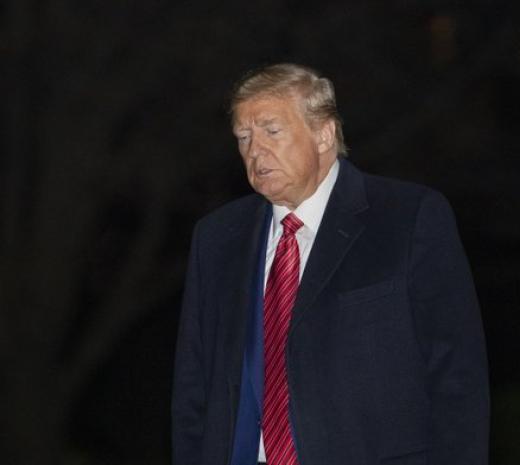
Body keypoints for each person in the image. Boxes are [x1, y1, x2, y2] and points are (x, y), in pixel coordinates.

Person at [171, 63, 489, 465]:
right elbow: (193, 388)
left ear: (324, 133)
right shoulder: (217, 238)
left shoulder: (407, 217)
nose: (255, 151)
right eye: (243, 137)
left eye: (271, 131)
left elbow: (456, 375)